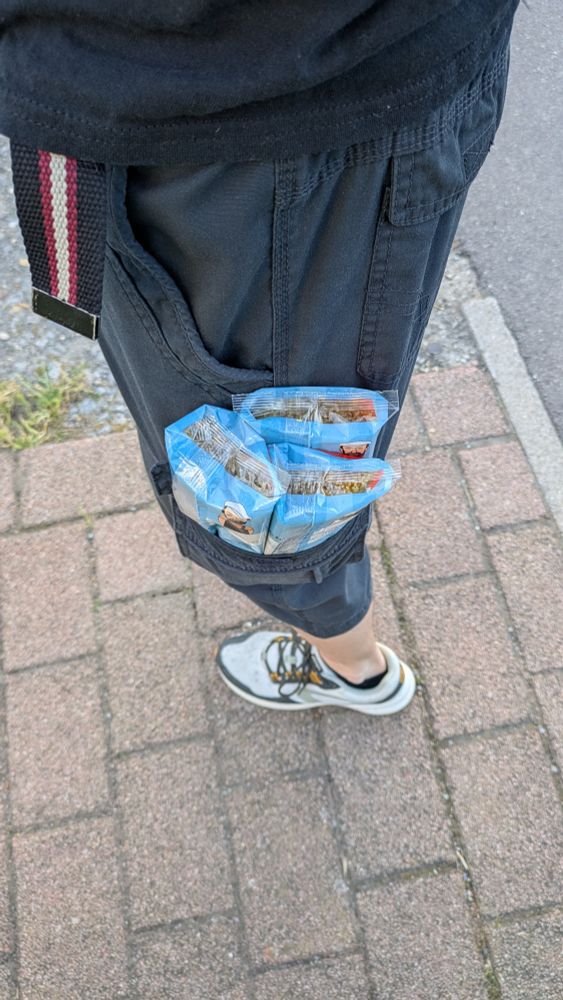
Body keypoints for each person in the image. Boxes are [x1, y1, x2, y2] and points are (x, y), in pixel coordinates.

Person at [0, 1, 519, 714]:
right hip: (204, 92)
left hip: (269, 119)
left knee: (274, 489)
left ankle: (356, 669)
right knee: (266, 459)